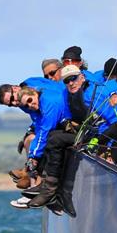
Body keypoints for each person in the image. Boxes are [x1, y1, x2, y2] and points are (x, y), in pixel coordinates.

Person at [28, 65, 88, 208]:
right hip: (81, 131)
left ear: (82, 78)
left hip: (95, 136)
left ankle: (51, 191)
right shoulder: (68, 93)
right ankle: (46, 183)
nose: (71, 83)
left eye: (73, 79)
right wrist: (68, 123)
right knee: (53, 136)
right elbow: (67, 114)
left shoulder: (89, 92)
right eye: (66, 81)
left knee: (55, 140)